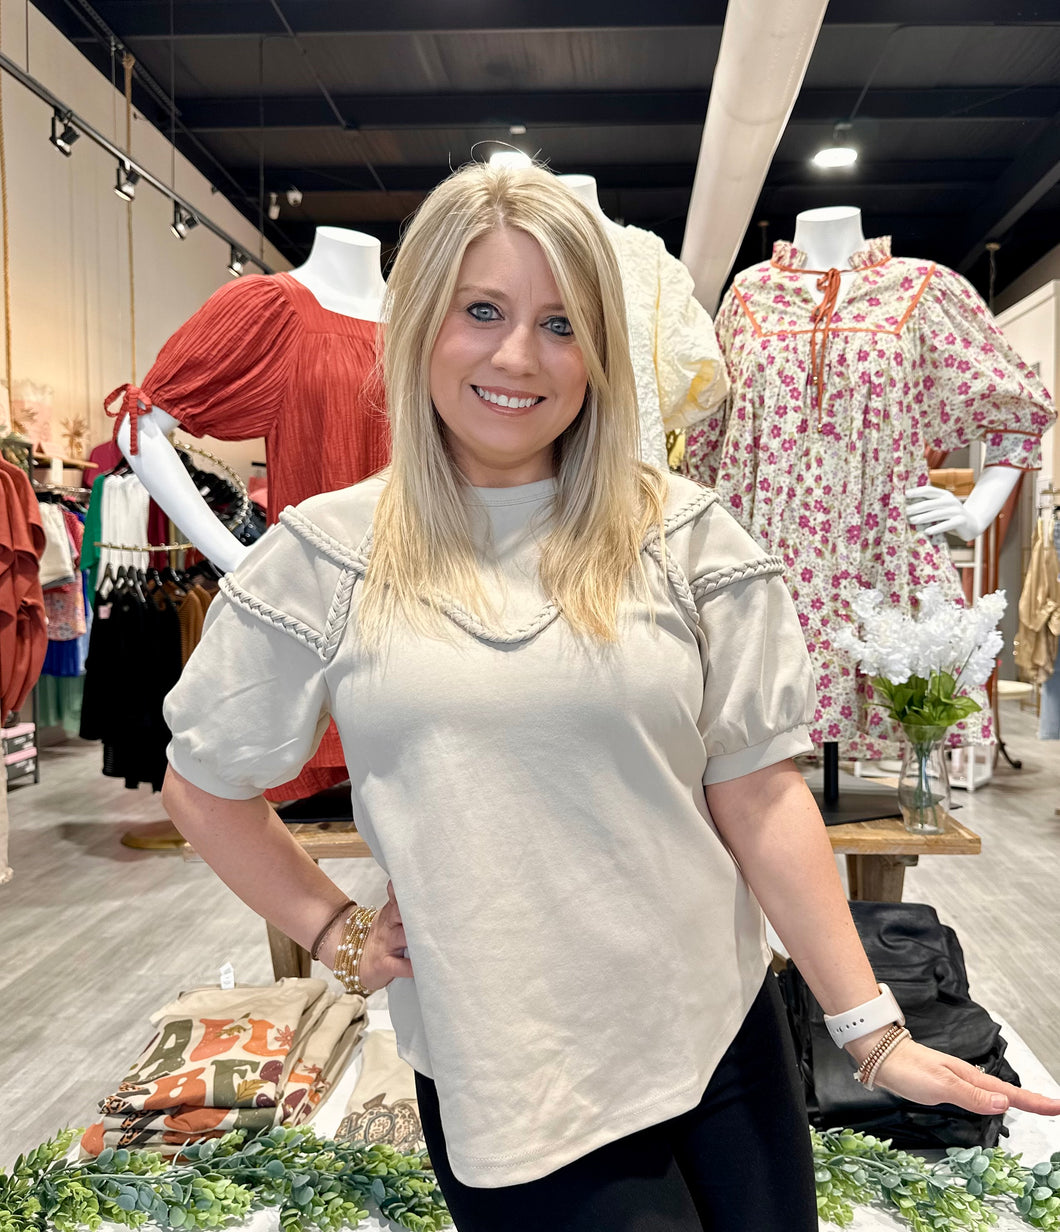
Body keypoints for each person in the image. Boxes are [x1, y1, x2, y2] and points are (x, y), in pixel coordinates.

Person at [159, 163, 1060, 1232]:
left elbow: (760, 795)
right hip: (514, 1070)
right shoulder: (327, 556)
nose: (516, 357)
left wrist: (873, 1032)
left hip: (718, 1036)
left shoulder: (683, 534)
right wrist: (334, 928)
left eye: (559, 324)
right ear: (417, 328)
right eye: (480, 311)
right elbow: (203, 784)